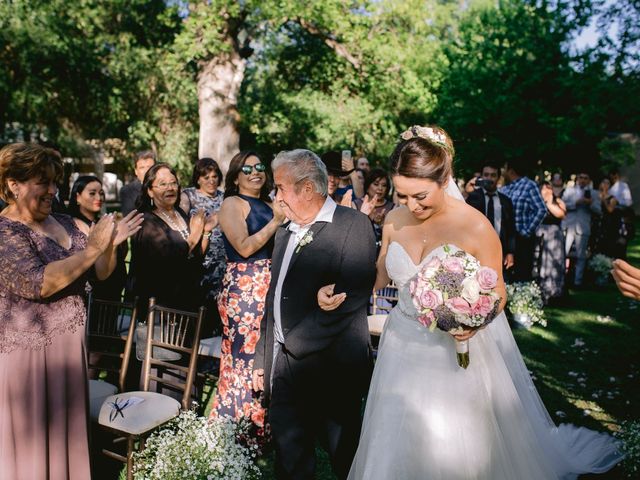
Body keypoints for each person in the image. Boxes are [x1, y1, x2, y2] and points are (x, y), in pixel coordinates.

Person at [320, 125, 621, 480]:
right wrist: (340, 290)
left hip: (453, 351)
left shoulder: (475, 228)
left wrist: (471, 324)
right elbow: (380, 276)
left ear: (443, 177)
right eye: (402, 195)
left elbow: (499, 293)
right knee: (393, 432)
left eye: (419, 195)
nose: (410, 205)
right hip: (400, 343)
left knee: (450, 439)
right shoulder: (393, 219)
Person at [0, 143, 142, 479]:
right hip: (28, 359)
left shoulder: (67, 222)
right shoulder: (4, 232)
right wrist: (94, 248)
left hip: (69, 353)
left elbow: (103, 273)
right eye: (42, 181)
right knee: (31, 447)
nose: (53, 190)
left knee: (67, 441)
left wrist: (109, 246)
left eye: (55, 182)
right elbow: (38, 284)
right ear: (12, 185)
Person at [252, 149, 377, 479]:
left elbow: (352, 296)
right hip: (284, 367)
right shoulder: (285, 230)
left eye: (280, 187)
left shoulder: (353, 225)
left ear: (307, 189)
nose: (276, 196)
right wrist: (264, 358)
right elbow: (273, 298)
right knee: (290, 458)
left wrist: (294, 344)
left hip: (333, 369)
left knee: (345, 458)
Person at [210, 151, 284, 447]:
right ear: (236, 176)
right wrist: (276, 221)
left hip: (272, 283)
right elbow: (242, 247)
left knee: (266, 356)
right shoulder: (232, 204)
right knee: (244, 359)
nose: (255, 172)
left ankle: (264, 428)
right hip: (244, 287)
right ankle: (238, 430)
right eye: (247, 168)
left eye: (259, 166)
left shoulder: (271, 203)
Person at [130, 163, 213, 316]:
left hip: (187, 300)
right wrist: (194, 236)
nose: (170, 188)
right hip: (159, 307)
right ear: (149, 191)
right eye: (163, 184)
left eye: (173, 182)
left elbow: (195, 256)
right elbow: (168, 262)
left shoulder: (180, 213)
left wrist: (206, 232)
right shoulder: (146, 222)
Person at [180, 158, 226, 333]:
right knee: (201, 310)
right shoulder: (188, 196)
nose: (211, 180)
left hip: (222, 262)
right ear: (198, 179)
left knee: (220, 308)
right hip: (200, 260)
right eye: (206, 177)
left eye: (214, 176)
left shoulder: (225, 197)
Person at [68, 175, 128, 300]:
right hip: (93, 297)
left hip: (113, 293)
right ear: (77, 197)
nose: (98, 197)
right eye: (92, 193)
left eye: (101, 193)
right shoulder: (72, 225)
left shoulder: (104, 222)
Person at [465, 162, 516, 274]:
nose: (489, 178)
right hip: (476, 250)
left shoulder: (505, 201)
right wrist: (468, 193)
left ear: (498, 177)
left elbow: (511, 228)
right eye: (486, 175)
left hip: (499, 251)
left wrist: (510, 252)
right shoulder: (474, 197)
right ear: (481, 177)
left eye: (493, 175)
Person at [500, 161, 547, 281]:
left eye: (504, 168)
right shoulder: (505, 188)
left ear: (511, 171)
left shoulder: (529, 185)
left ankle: (523, 299)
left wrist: (526, 231)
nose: (503, 172)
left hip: (522, 240)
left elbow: (541, 210)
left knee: (522, 274)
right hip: (506, 239)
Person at [561, 172, 601, 287]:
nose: (583, 180)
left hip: (583, 227)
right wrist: (576, 202)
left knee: (581, 256)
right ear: (577, 179)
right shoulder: (569, 191)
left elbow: (599, 210)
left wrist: (590, 204)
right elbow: (562, 205)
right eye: (581, 178)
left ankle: (577, 281)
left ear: (589, 180)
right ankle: (561, 279)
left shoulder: (593, 193)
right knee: (563, 252)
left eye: (585, 178)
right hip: (569, 225)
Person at [536, 181, 567, 302]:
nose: (546, 191)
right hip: (539, 233)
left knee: (553, 262)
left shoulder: (558, 201)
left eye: (548, 188)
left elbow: (561, 214)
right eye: (543, 189)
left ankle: (554, 292)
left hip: (554, 235)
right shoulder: (537, 202)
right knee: (540, 261)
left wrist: (549, 202)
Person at [353, 168, 395, 248]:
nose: (380, 188)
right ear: (368, 186)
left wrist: (382, 224)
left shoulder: (393, 207)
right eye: (376, 184)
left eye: (384, 185)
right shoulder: (355, 204)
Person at [120, 150, 156, 215]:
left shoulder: (166, 187)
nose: (146, 171)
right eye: (142, 168)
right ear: (136, 171)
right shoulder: (128, 191)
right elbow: (130, 218)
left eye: (149, 167)